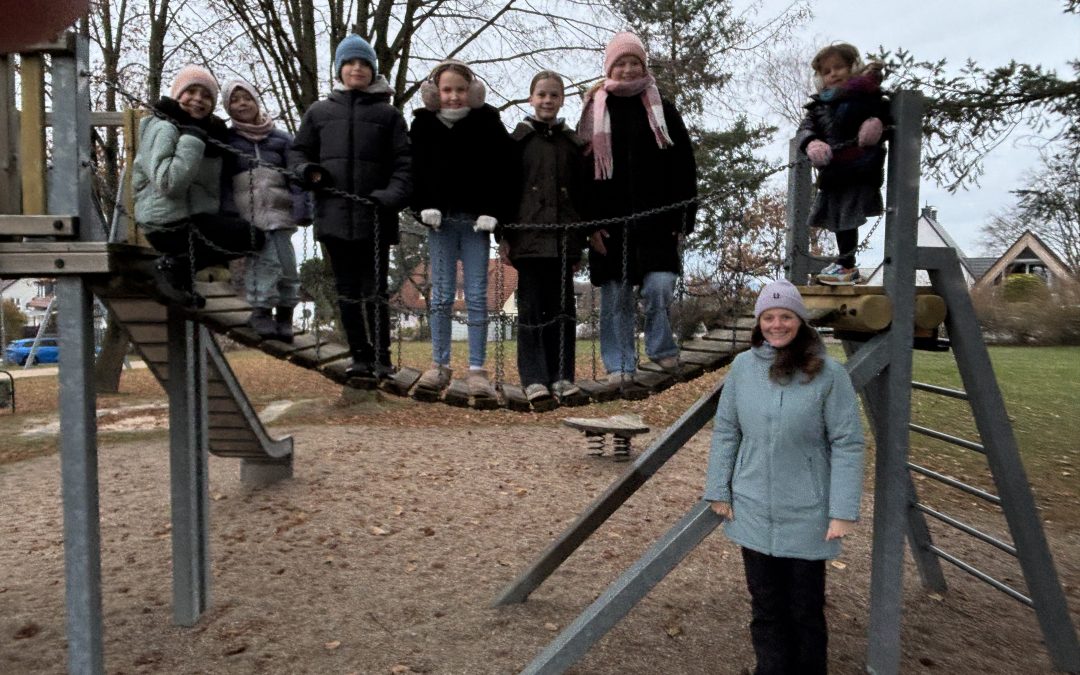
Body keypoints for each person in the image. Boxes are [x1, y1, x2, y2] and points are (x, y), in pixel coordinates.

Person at [704, 279, 865, 675]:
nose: (777, 324)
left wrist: (842, 510)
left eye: (786, 316)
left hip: (808, 511)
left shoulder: (829, 374)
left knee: (805, 611)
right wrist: (718, 489)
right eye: (769, 317)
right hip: (753, 504)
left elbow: (848, 443)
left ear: (800, 321)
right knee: (766, 607)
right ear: (760, 323)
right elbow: (727, 431)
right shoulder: (742, 367)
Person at [289, 35, 412, 378]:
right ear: (340, 69)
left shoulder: (389, 116)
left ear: (373, 71)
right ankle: (359, 355)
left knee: (375, 292)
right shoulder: (318, 112)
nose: (356, 69)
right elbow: (298, 153)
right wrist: (307, 172)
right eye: (350, 63)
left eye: (363, 64)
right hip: (334, 216)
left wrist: (388, 197)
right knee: (346, 292)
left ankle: (382, 357)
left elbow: (404, 166)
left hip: (375, 218)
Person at [578, 31, 697, 386]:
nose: (629, 69)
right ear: (610, 67)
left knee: (660, 285)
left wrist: (683, 217)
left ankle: (660, 348)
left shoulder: (663, 109)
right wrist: (590, 226)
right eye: (622, 63)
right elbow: (582, 172)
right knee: (616, 296)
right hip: (609, 223)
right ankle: (619, 365)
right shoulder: (594, 110)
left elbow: (684, 166)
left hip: (657, 221)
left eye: (635, 63)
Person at [410, 59, 515, 399]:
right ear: (434, 93)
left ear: (471, 92)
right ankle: (439, 364)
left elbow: (503, 172)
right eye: (446, 90)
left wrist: (493, 212)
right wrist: (422, 207)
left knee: (477, 294)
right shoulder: (423, 125)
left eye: (460, 90)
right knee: (440, 295)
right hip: (439, 222)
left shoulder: (488, 123)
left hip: (475, 223)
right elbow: (414, 171)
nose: (453, 96)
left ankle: (476, 368)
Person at [133, 65, 264, 307]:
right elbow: (169, 182)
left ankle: (179, 274)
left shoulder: (211, 134)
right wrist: (192, 139)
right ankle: (173, 267)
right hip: (165, 223)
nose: (198, 100)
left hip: (193, 219)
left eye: (206, 96)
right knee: (250, 237)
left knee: (252, 237)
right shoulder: (163, 127)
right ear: (177, 94)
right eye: (190, 92)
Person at [500, 70, 588, 403]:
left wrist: (579, 241)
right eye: (541, 94)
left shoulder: (571, 144)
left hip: (564, 242)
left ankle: (563, 376)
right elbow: (507, 193)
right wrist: (505, 236)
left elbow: (580, 197)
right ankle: (534, 377)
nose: (547, 100)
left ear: (561, 99)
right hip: (529, 241)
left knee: (563, 311)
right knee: (531, 310)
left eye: (553, 95)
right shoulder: (518, 142)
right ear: (530, 98)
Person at [220, 78, 308, 342]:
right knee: (265, 264)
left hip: (281, 213)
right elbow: (222, 181)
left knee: (288, 267)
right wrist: (228, 214)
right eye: (234, 100)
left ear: (256, 99)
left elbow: (296, 177)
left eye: (246, 97)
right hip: (250, 216)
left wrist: (303, 207)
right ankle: (260, 312)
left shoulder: (281, 139)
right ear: (227, 108)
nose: (241, 103)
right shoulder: (228, 141)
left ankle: (284, 317)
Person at [797, 42, 891, 285]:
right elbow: (806, 128)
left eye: (838, 67)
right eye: (827, 71)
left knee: (849, 216)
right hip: (834, 170)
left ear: (852, 67)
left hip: (860, 166)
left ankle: (847, 265)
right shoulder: (819, 105)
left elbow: (887, 117)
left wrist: (876, 125)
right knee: (837, 219)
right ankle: (844, 262)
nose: (833, 74)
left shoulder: (867, 95)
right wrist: (812, 143)